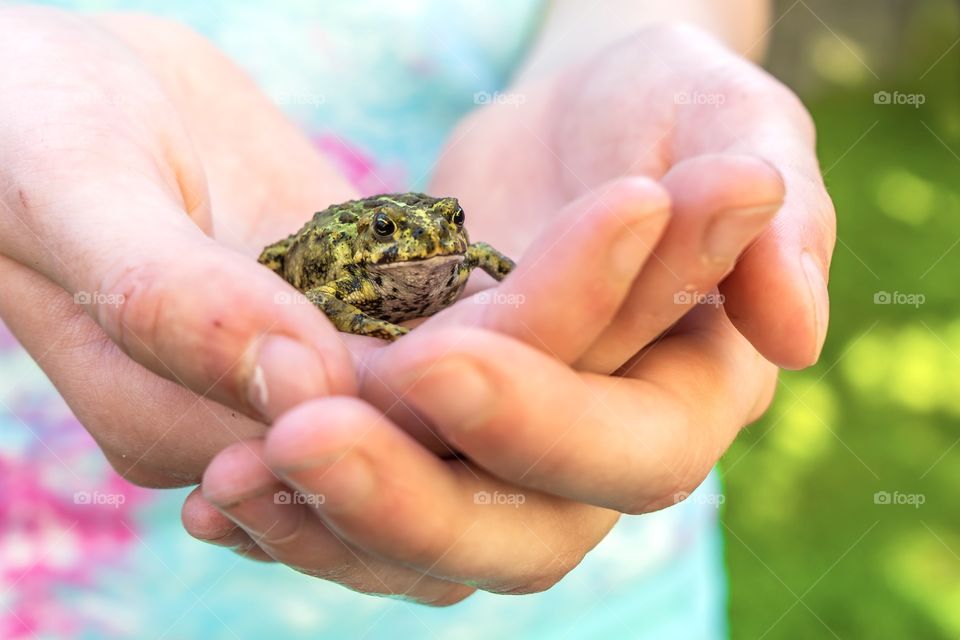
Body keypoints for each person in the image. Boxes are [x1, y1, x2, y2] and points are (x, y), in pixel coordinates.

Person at [0, 0, 835, 637]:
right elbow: (315, 293)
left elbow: (482, 260)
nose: (437, 246)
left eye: (448, 233)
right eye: (408, 237)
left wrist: (642, 39)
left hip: (602, 584)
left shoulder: (447, 250)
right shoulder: (348, 259)